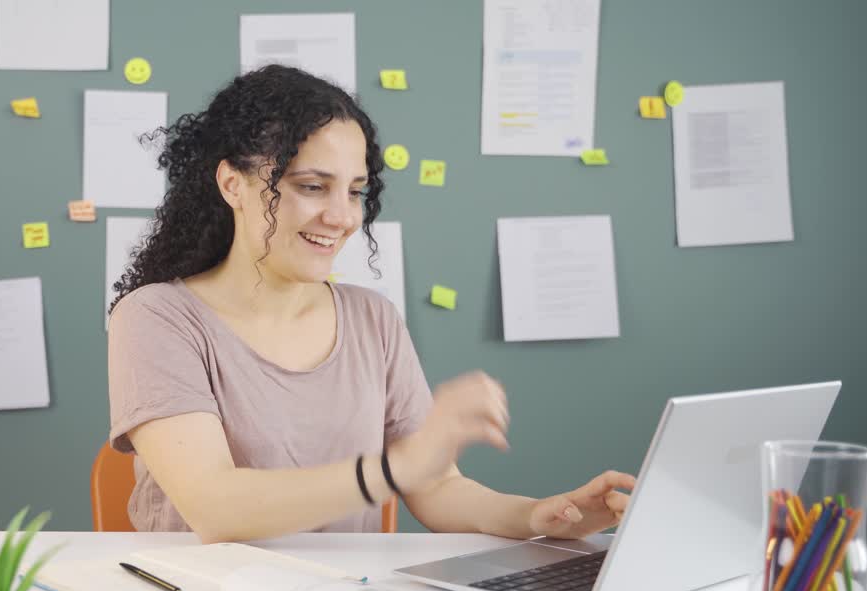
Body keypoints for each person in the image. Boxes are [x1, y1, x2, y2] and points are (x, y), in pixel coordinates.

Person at [107, 65, 633, 543]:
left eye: (355, 192)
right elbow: (215, 508)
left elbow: (436, 486)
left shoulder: (371, 319)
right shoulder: (155, 318)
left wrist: (539, 516)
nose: (341, 217)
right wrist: (394, 468)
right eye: (312, 186)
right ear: (232, 184)